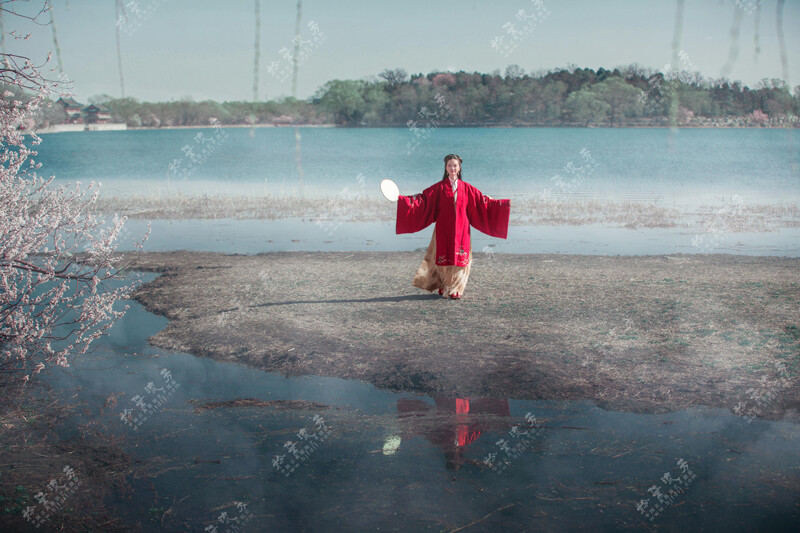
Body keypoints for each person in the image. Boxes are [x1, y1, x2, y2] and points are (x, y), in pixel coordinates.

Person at [395, 154, 510, 299]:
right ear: (445, 168)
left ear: (459, 168)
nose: (452, 168)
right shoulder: (438, 188)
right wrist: (404, 200)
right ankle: (444, 285)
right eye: (449, 165)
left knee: (460, 259)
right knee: (443, 257)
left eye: (455, 165)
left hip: (462, 229)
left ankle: (456, 289)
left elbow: (482, 201)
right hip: (443, 228)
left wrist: (499, 204)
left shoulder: (467, 188)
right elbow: (423, 200)